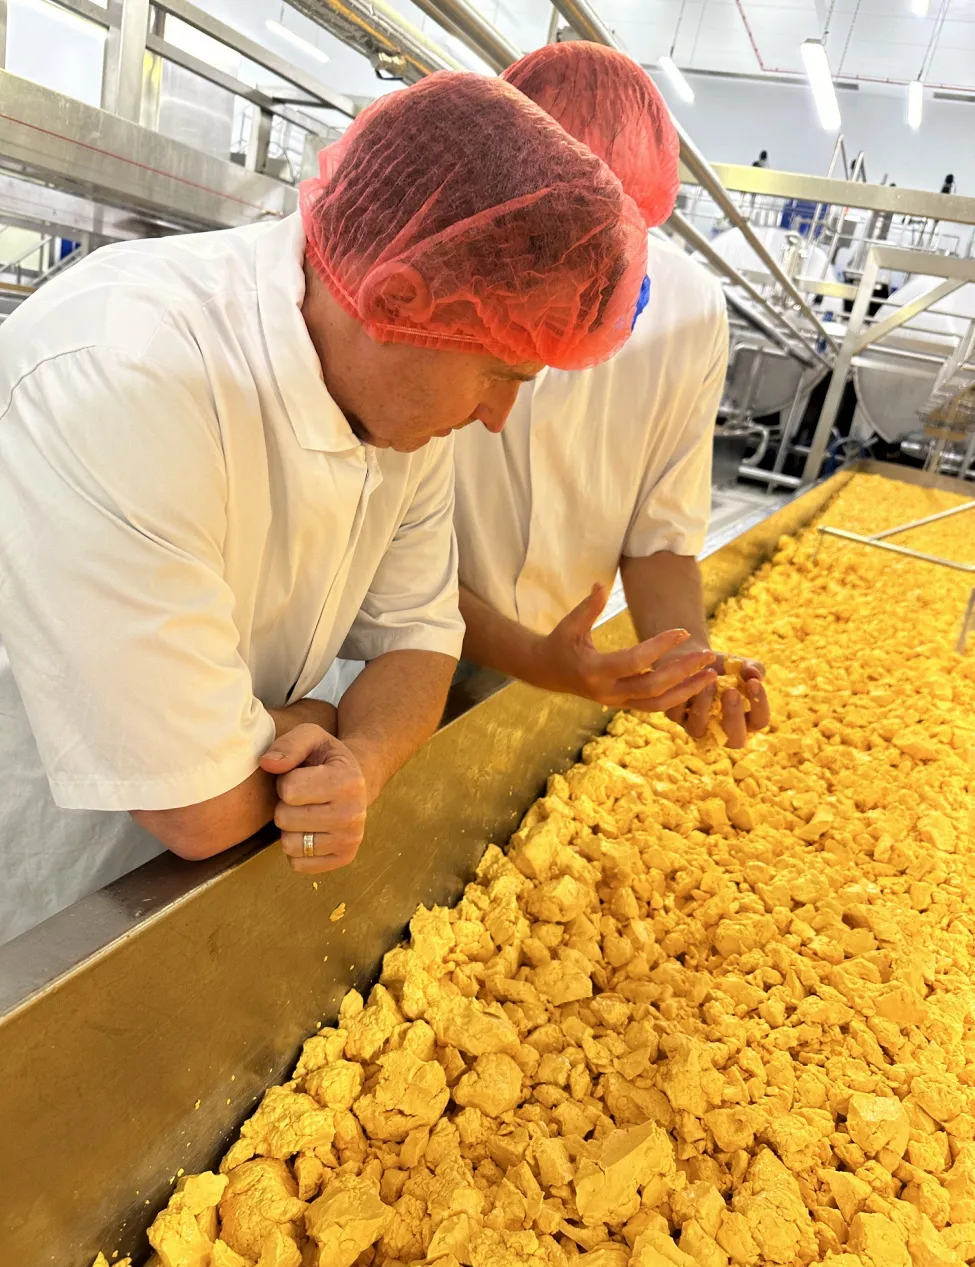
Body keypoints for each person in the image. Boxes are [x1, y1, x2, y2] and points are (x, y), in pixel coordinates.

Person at [0, 72, 651, 944]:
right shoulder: (127, 375)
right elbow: (196, 806)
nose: (498, 416)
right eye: (502, 374)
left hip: (217, 856)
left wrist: (362, 762)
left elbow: (419, 638)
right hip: (54, 885)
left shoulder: (399, 408)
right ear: (396, 303)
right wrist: (317, 720)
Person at [454, 43, 770, 749]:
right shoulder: (452, 280)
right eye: (552, 230)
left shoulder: (688, 311)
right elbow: (385, 549)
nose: (580, 267)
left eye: (608, 238)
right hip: (410, 640)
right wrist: (537, 660)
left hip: (573, 654)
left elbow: (660, 530)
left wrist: (686, 669)